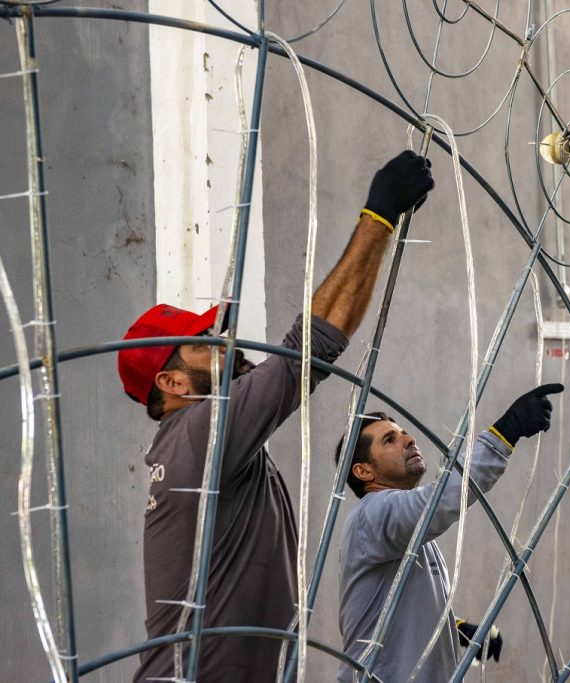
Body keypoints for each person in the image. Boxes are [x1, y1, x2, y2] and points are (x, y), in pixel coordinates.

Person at [116, 151, 434, 682]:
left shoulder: (199, 445)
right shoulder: (203, 429)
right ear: (172, 384)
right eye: (206, 344)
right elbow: (312, 346)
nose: (228, 343)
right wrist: (378, 214)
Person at [336, 384, 564, 682]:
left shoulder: (403, 529)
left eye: (403, 432)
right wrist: (508, 430)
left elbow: (399, 607)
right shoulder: (373, 514)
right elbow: (445, 496)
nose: (408, 439)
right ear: (364, 471)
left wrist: (453, 628)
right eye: (390, 440)